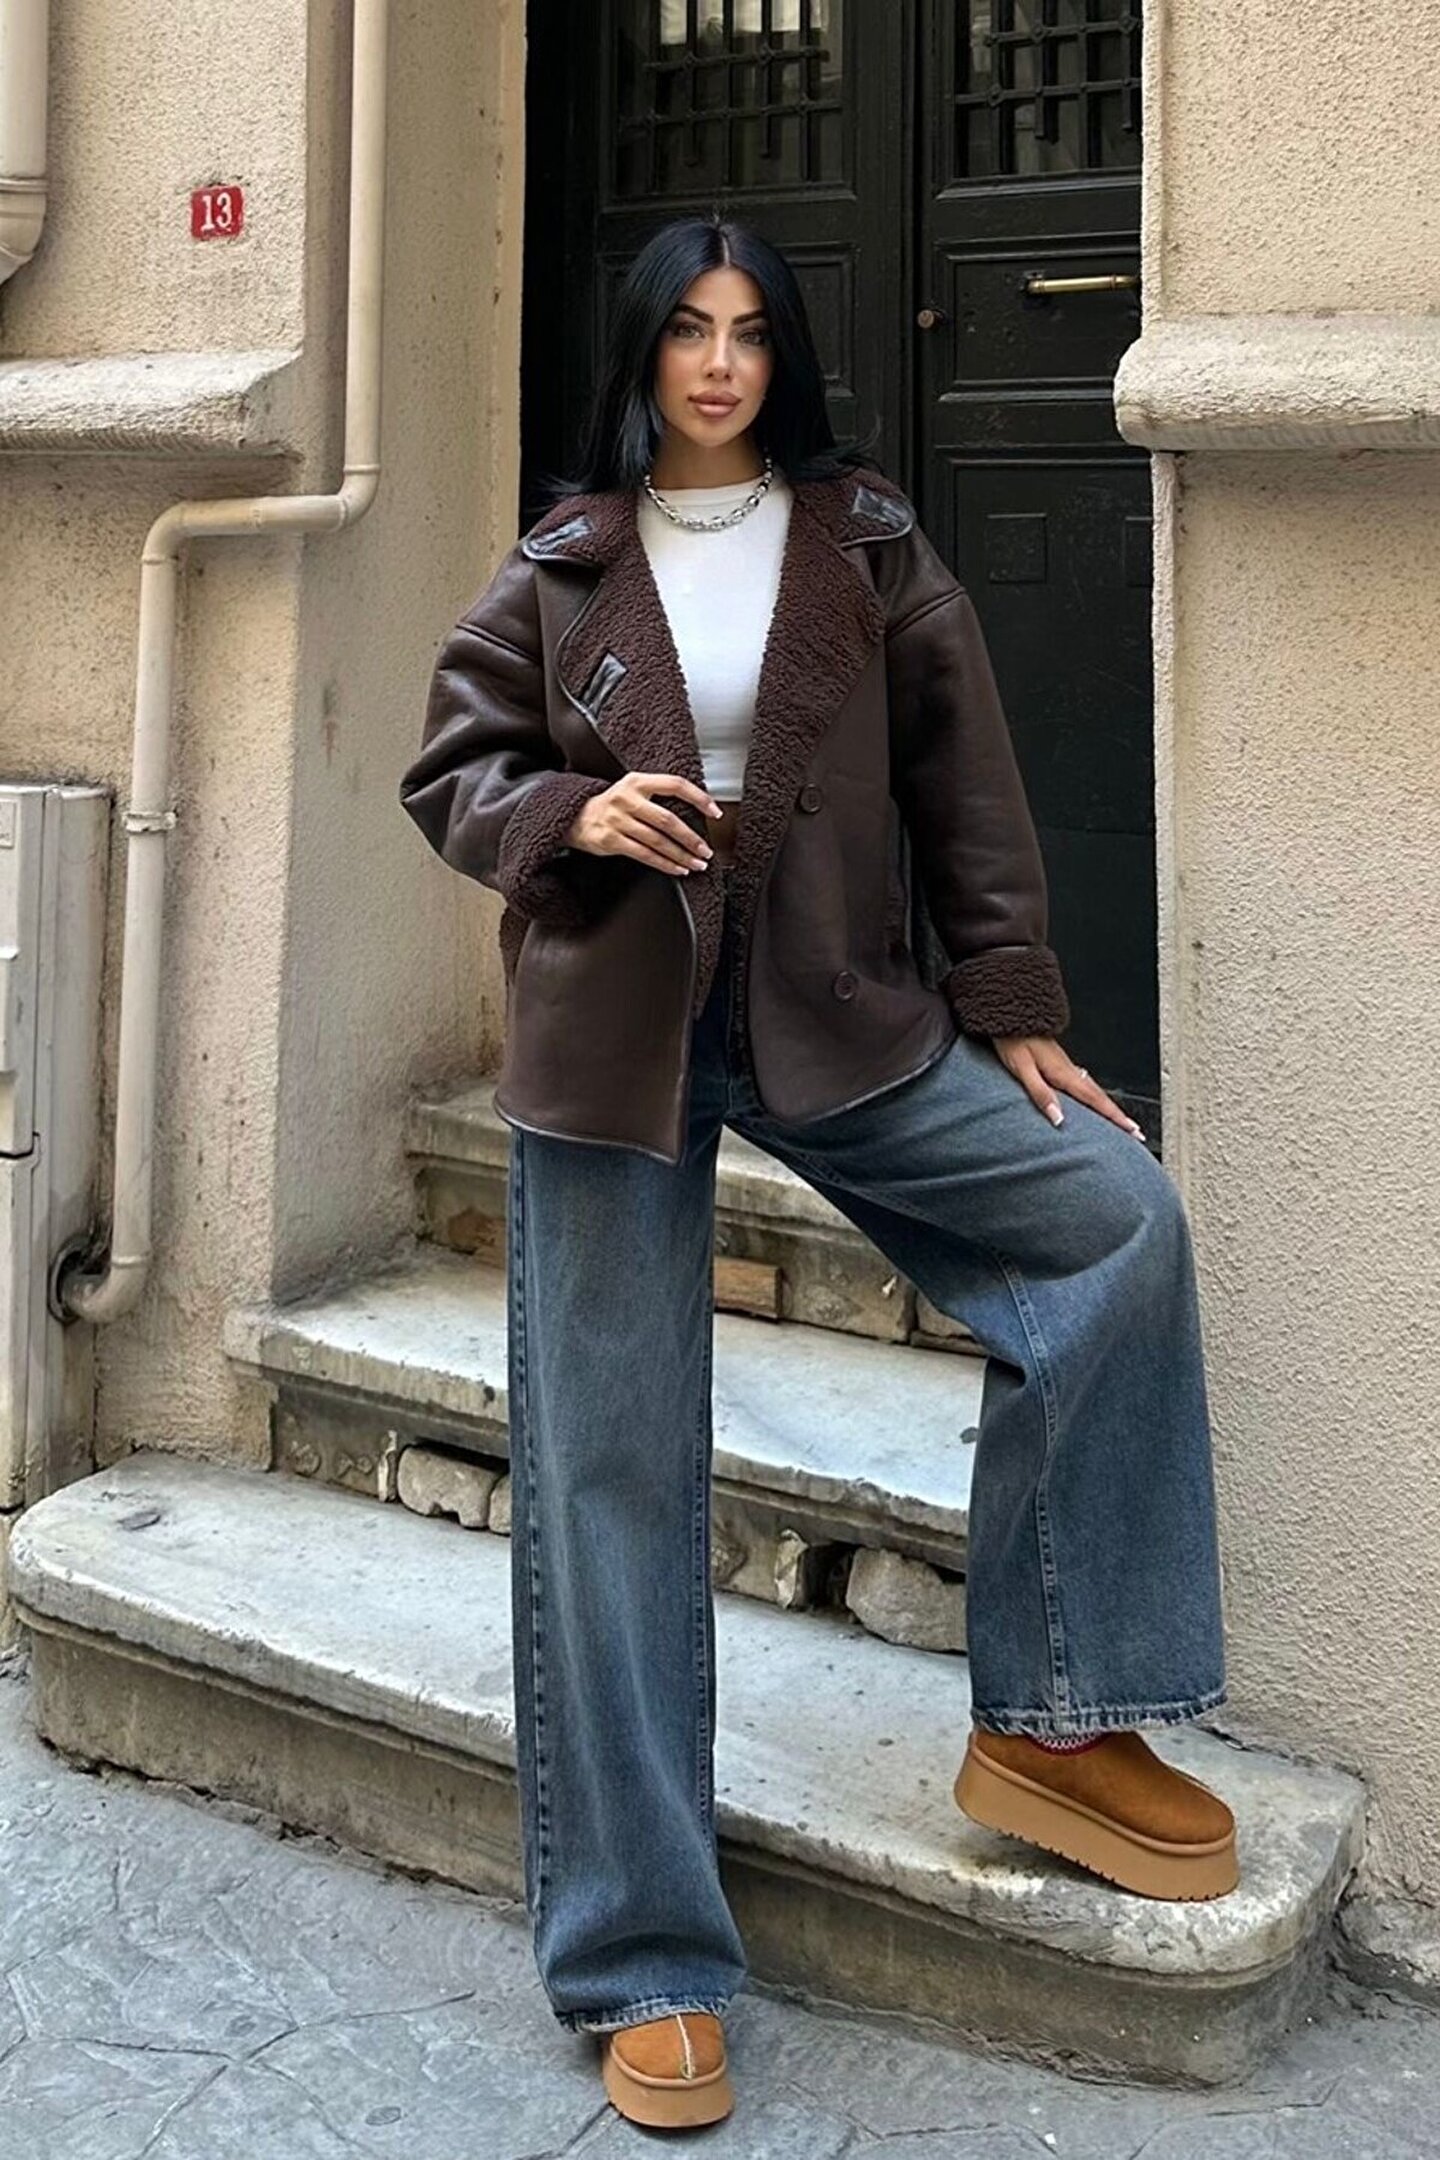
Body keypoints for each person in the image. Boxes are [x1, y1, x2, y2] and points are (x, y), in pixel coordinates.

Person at [399, 213, 1238, 2133]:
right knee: (610, 1470)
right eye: (688, 331)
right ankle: (643, 1956)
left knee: (1112, 1220)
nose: (720, 364)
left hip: (840, 1012)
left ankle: (1054, 1727)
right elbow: (453, 769)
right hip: (615, 1035)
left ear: (783, 357)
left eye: (752, 332)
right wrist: (570, 811)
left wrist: (1011, 999)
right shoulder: (563, 560)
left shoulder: (864, 542)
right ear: (643, 352)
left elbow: (967, 783)